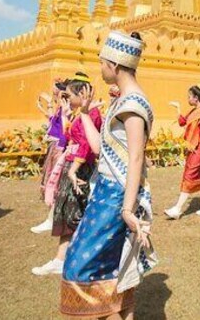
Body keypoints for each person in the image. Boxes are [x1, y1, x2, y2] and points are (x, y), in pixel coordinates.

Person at [60, 31, 157, 318]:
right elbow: (102, 149)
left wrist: (127, 208)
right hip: (107, 191)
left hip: (116, 197)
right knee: (111, 274)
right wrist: (87, 114)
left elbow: (137, 156)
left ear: (114, 65)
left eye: (102, 62)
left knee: (80, 268)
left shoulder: (134, 104)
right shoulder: (122, 101)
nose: (100, 67)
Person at [33, 72, 102, 276]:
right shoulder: (78, 112)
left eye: (70, 95)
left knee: (74, 212)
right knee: (68, 211)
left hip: (79, 168)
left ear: (82, 94)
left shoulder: (92, 114)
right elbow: (66, 136)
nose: (67, 99)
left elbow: (87, 145)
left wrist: (73, 169)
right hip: (72, 164)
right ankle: (62, 258)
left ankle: (66, 259)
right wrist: (64, 112)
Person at [165, 81, 200, 219]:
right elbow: (182, 122)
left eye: (189, 96)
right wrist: (178, 108)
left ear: (196, 98)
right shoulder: (194, 111)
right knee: (198, 175)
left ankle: (177, 208)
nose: (188, 99)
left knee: (190, 174)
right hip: (194, 147)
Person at [31, 78, 69, 234]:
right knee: (53, 182)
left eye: (55, 92)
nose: (53, 95)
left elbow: (64, 129)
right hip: (55, 146)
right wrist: (45, 106)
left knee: (55, 182)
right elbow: (54, 122)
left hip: (59, 147)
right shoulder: (61, 108)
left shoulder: (66, 109)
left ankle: (51, 219)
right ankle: (52, 217)